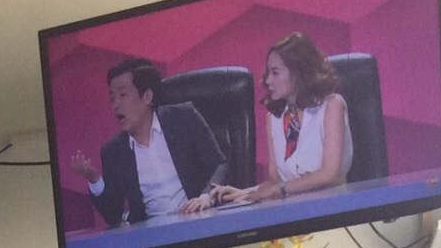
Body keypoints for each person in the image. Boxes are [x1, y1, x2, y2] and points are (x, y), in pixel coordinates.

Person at [71, 57, 227, 224]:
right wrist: (94, 178)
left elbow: (219, 165)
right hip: (153, 234)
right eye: (112, 98)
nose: (115, 105)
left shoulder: (183, 118)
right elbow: (113, 215)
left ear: (147, 96)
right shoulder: (113, 152)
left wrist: (206, 197)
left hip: (200, 220)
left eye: (122, 95)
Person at [214, 32, 353, 206]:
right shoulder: (274, 118)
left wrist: (279, 189)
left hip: (334, 206)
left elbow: (329, 174)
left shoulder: (332, 105)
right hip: (292, 209)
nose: (268, 80)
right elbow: (276, 182)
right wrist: (244, 192)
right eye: (268, 73)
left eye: (275, 73)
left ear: (298, 73)